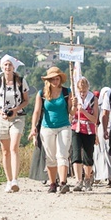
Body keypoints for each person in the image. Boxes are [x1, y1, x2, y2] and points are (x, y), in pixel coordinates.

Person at [0, 54, 29, 193]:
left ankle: (15, 179)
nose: (7, 67)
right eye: (5, 65)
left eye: (10, 65)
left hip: (17, 117)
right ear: (2, 67)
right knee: (5, 151)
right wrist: (0, 111)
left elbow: (26, 100)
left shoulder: (21, 81)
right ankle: (9, 180)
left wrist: (16, 110)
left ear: (14, 67)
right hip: (1, 117)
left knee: (14, 146)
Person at [29, 66, 72, 194]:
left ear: (60, 79)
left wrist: (74, 105)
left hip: (64, 126)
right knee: (50, 157)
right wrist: (33, 127)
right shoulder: (41, 94)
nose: (55, 81)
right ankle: (53, 183)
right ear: (48, 80)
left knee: (62, 155)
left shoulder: (66, 92)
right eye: (52, 79)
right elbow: (36, 111)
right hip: (47, 128)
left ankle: (63, 182)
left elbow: (72, 112)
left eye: (57, 79)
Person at [71, 77, 98, 192]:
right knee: (76, 154)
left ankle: (87, 178)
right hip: (76, 128)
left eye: (84, 91)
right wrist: (73, 106)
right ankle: (78, 180)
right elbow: (71, 113)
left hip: (89, 129)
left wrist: (83, 111)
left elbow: (94, 119)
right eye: (80, 91)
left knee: (88, 155)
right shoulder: (75, 98)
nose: (82, 93)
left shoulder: (93, 99)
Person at [93, 87, 111, 186]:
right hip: (101, 130)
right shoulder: (98, 105)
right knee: (100, 154)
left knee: (110, 154)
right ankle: (100, 175)